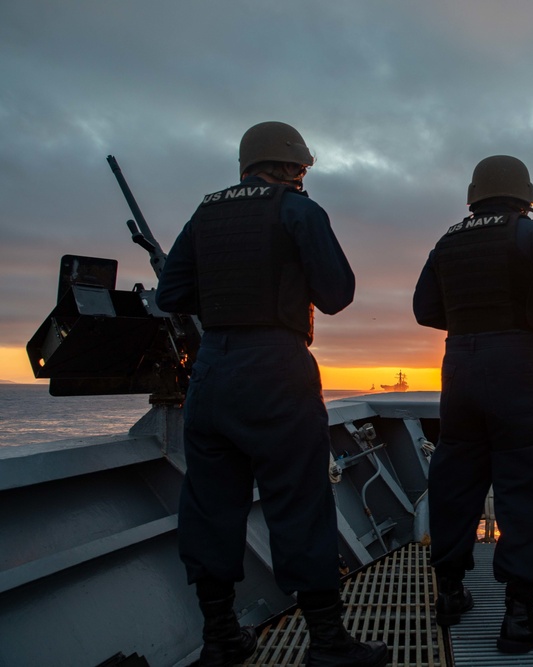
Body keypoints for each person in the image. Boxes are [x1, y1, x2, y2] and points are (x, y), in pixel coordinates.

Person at [156, 121, 388, 667]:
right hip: (277, 371)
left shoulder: (204, 212)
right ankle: (328, 643)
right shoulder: (297, 209)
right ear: (293, 166)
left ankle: (220, 640)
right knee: (299, 504)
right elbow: (337, 294)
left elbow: (172, 294)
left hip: (211, 374)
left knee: (210, 509)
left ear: (245, 163)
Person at [412, 155, 533, 654]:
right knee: (530, 483)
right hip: (519, 367)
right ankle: (519, 617)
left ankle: (449, 595)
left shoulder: (449, 240)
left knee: (455, 476)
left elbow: (425, 310)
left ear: (475, 196)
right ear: (524, 196)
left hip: (461, 370)